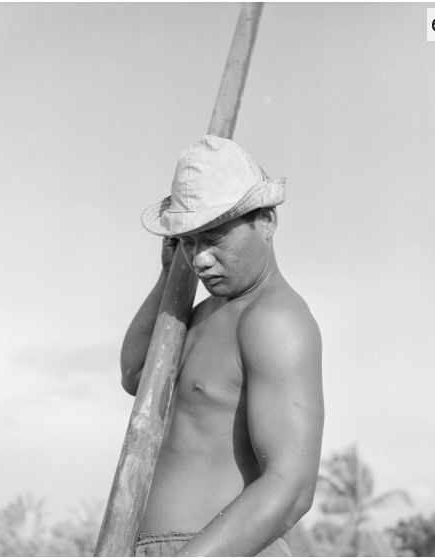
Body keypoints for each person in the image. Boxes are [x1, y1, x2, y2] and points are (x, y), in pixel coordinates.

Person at [120, 135, 324, 557]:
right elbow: (136, 376)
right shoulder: (203, 313)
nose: (200, 259)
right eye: (189, 242)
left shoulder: (274, 319)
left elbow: (291, 488)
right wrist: (167, 277)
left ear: (265, 221)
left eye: (213, 237)